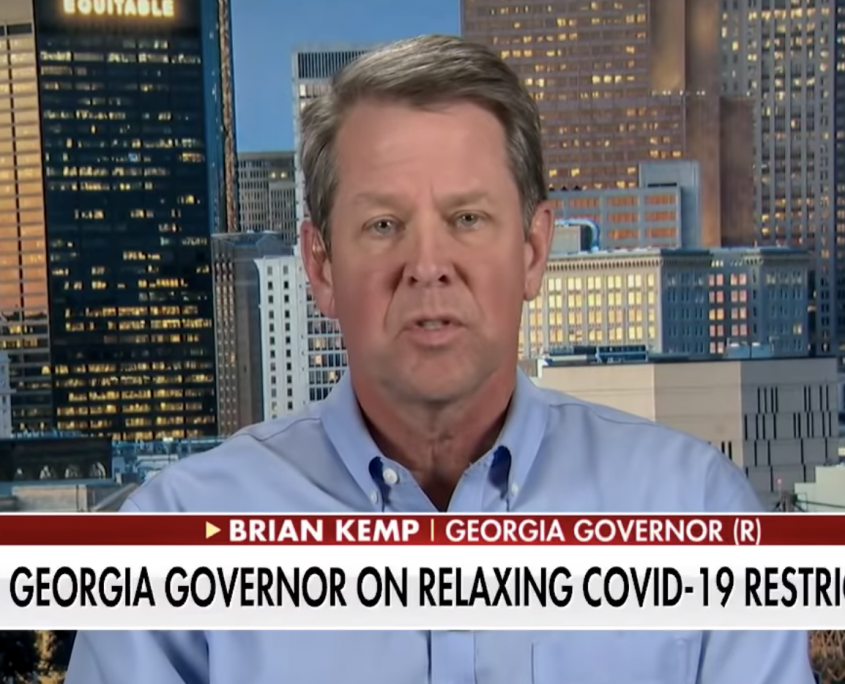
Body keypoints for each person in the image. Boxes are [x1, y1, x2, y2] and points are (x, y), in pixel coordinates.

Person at [65, 34, 814, 684]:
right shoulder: (179, 533)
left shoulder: (693, 510)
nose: (428, 265)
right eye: (384, 224)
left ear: (533, 250)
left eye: (467, 218)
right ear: (320, 265)